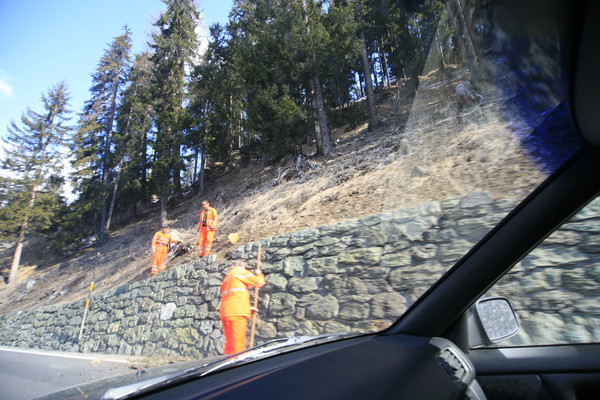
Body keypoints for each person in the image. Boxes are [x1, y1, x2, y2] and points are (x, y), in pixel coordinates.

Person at [219, 260, 266, 355]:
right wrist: (259, 274)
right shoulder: (240, 272)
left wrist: (248, 309)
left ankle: (227, 364)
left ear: (232, 266)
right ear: (242, 267)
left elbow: (233, 295)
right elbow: (259, 282)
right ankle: (237, 366)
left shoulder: (227, 277)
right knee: (238, 345)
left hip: (226, 313)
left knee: (230, 343)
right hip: (237, 313)